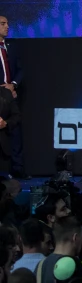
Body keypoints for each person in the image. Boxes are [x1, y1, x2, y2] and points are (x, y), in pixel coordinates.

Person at [0, 16, 26, 179]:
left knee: (16, 129)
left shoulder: (11, 47)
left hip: (10, 93)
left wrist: (13, 84)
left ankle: (18, 169)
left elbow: (20, 69)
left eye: (8, 24)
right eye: (3, 24)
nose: (7, 27)